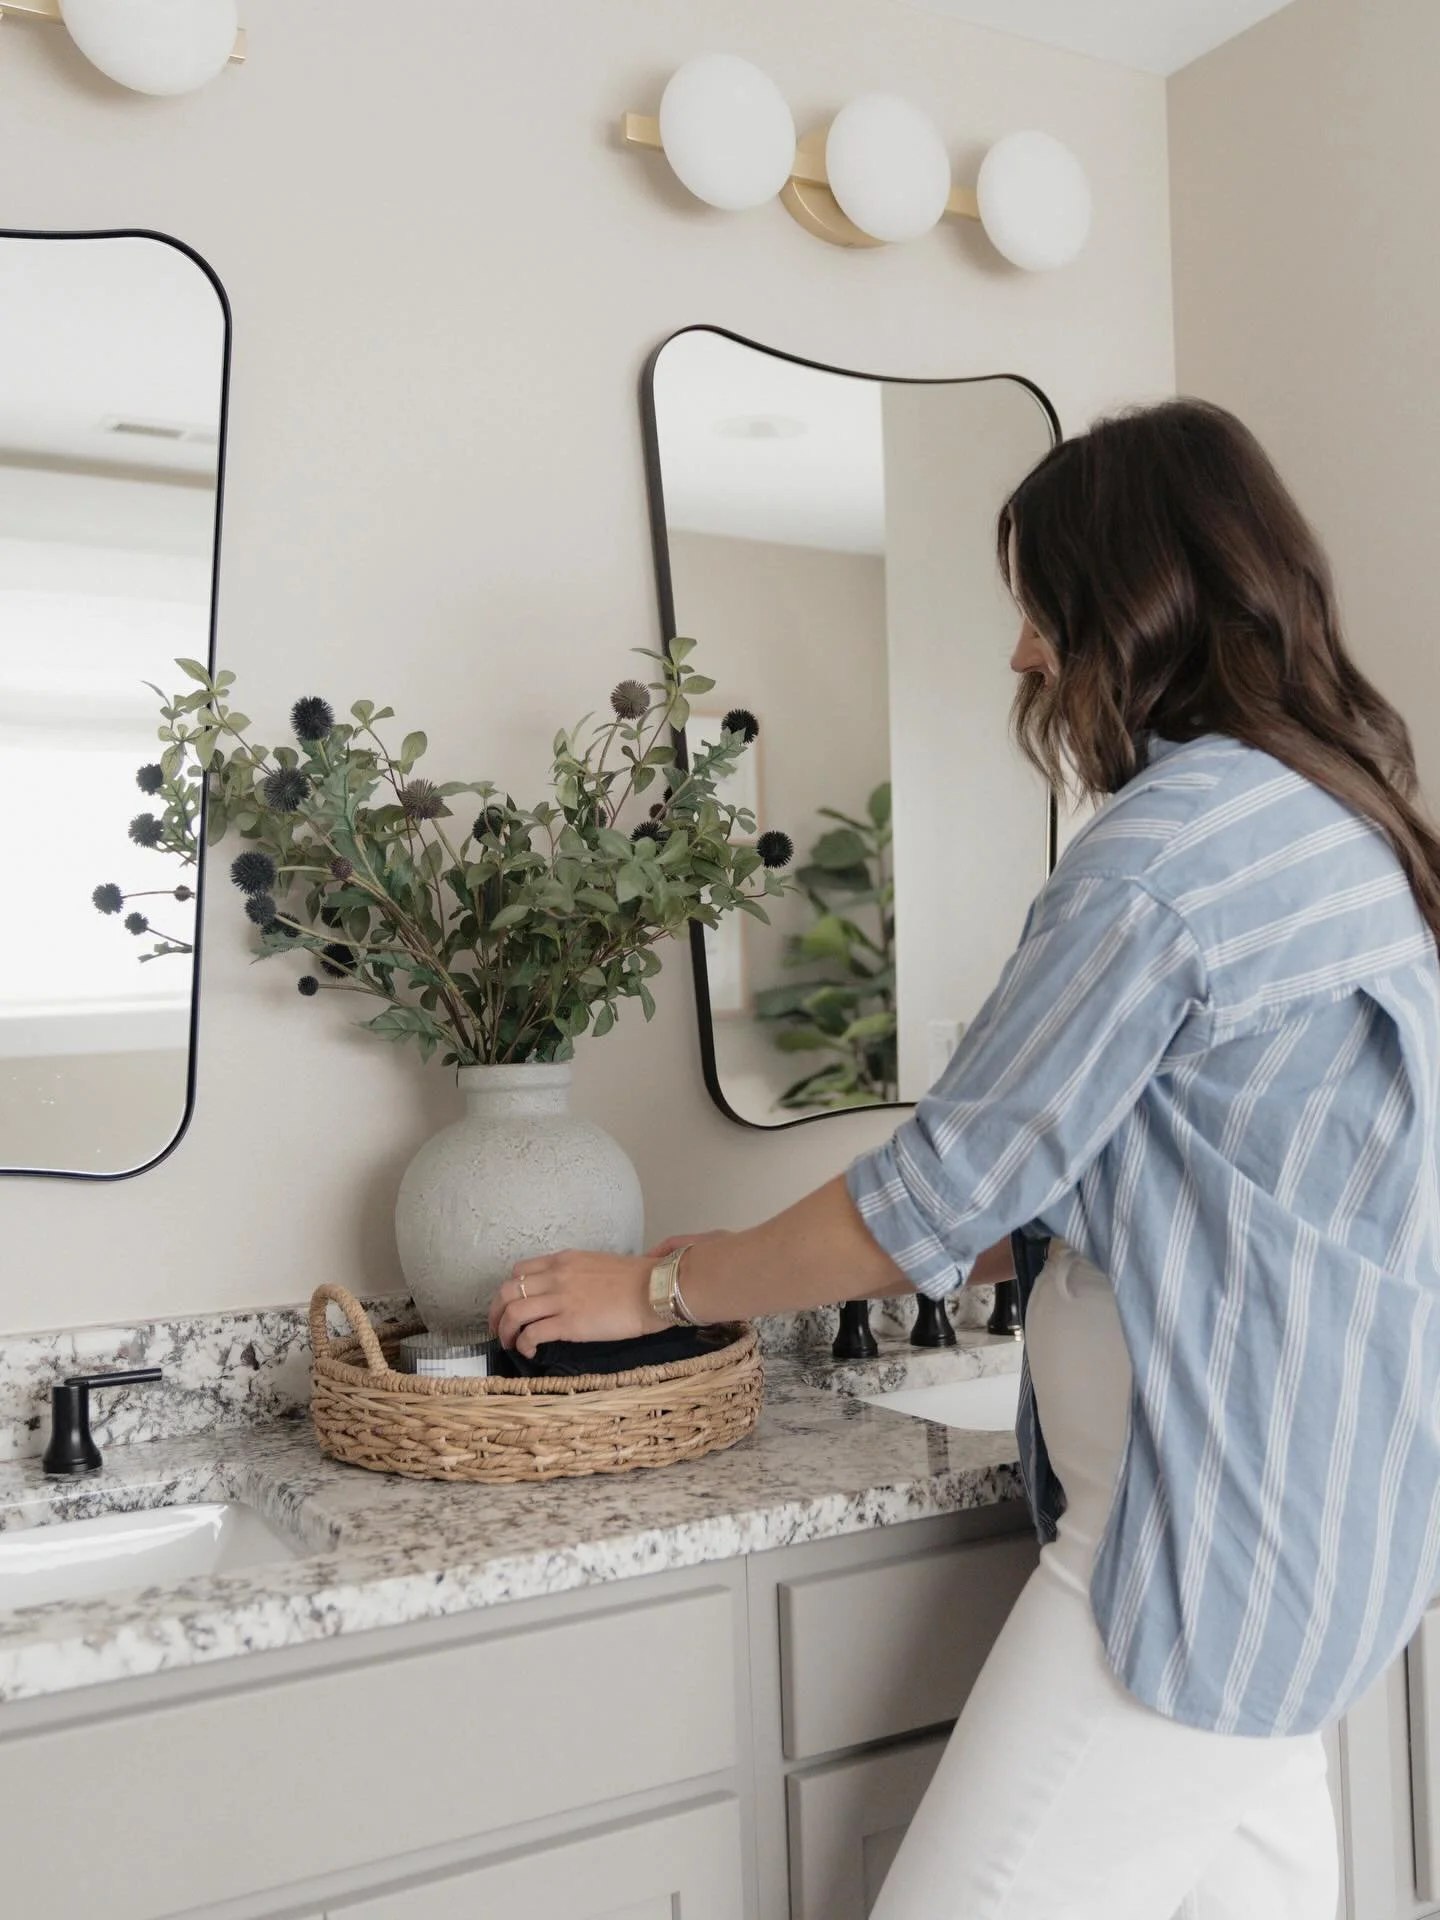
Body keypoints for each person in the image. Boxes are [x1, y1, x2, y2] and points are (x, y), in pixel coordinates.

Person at [489, 399, 1440, 1920]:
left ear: (1137, 600)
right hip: (1323, 1510)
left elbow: (942, 1197)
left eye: (1042, 604)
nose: (1021, 653)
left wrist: (661, 1285)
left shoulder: (1161, 859)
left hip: (1198, 1531)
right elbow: (1124, 1175)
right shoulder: (1333, 823)